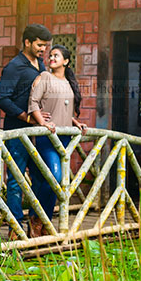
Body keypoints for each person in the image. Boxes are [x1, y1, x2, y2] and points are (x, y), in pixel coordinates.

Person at [0, 23, 52, 237]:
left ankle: (36, 224)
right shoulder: (14, 66)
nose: (43, 49)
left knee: (42, 178)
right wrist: (26, 117)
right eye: (39, 45)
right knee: (16, 181)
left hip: (38, 134)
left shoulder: (41, 65)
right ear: (27, 42)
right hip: (17, 132)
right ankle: (15, 228)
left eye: (45, 46)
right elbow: (1, 98)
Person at [27, 44, 87, 237]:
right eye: (50, 55)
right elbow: (34, 102)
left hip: (65, 137)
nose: (51, 58)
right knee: (54, 175)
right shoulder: (45, 77)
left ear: (66, 61)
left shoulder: (69, 83)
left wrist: (76, 123)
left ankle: (46, 222)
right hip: (48, 136)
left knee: (58, 180)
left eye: (56, 56)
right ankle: (36, 219)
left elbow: (63, 109)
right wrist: (41, 122)